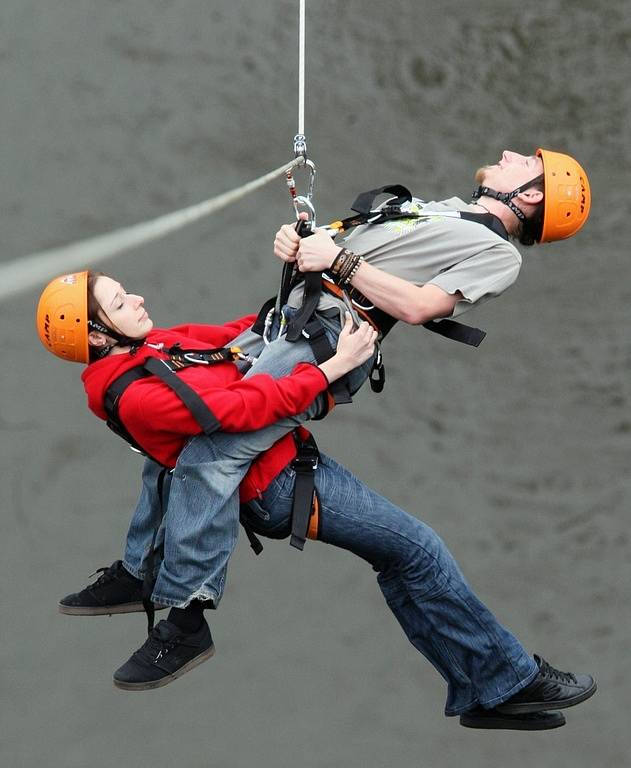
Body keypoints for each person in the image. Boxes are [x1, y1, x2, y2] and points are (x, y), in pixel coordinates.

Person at [62, 148, 590, 639]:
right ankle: (141, 570)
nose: (509, 155)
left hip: (331, 334)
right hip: (293, 313)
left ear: (532, 196)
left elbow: (419, 306)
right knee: (176, 438)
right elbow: (350, 249)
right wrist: (303, 244)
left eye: (526, 161)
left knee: (214, 445)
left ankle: (186, 615)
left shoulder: (498, 253)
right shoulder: (446, 211)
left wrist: (337, 263)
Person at [38, 269, 596, 730]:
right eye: (118, 300)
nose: (136, 296)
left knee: (403, 560)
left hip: (287, 463)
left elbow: (233, 339)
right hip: (279, 486)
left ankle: (488, 688)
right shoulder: (136, 395)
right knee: (418, 550)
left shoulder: (153, 345)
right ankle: (505, 683)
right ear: (96, 335)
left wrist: (306, 298)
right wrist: (332, 365)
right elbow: (239, 408)